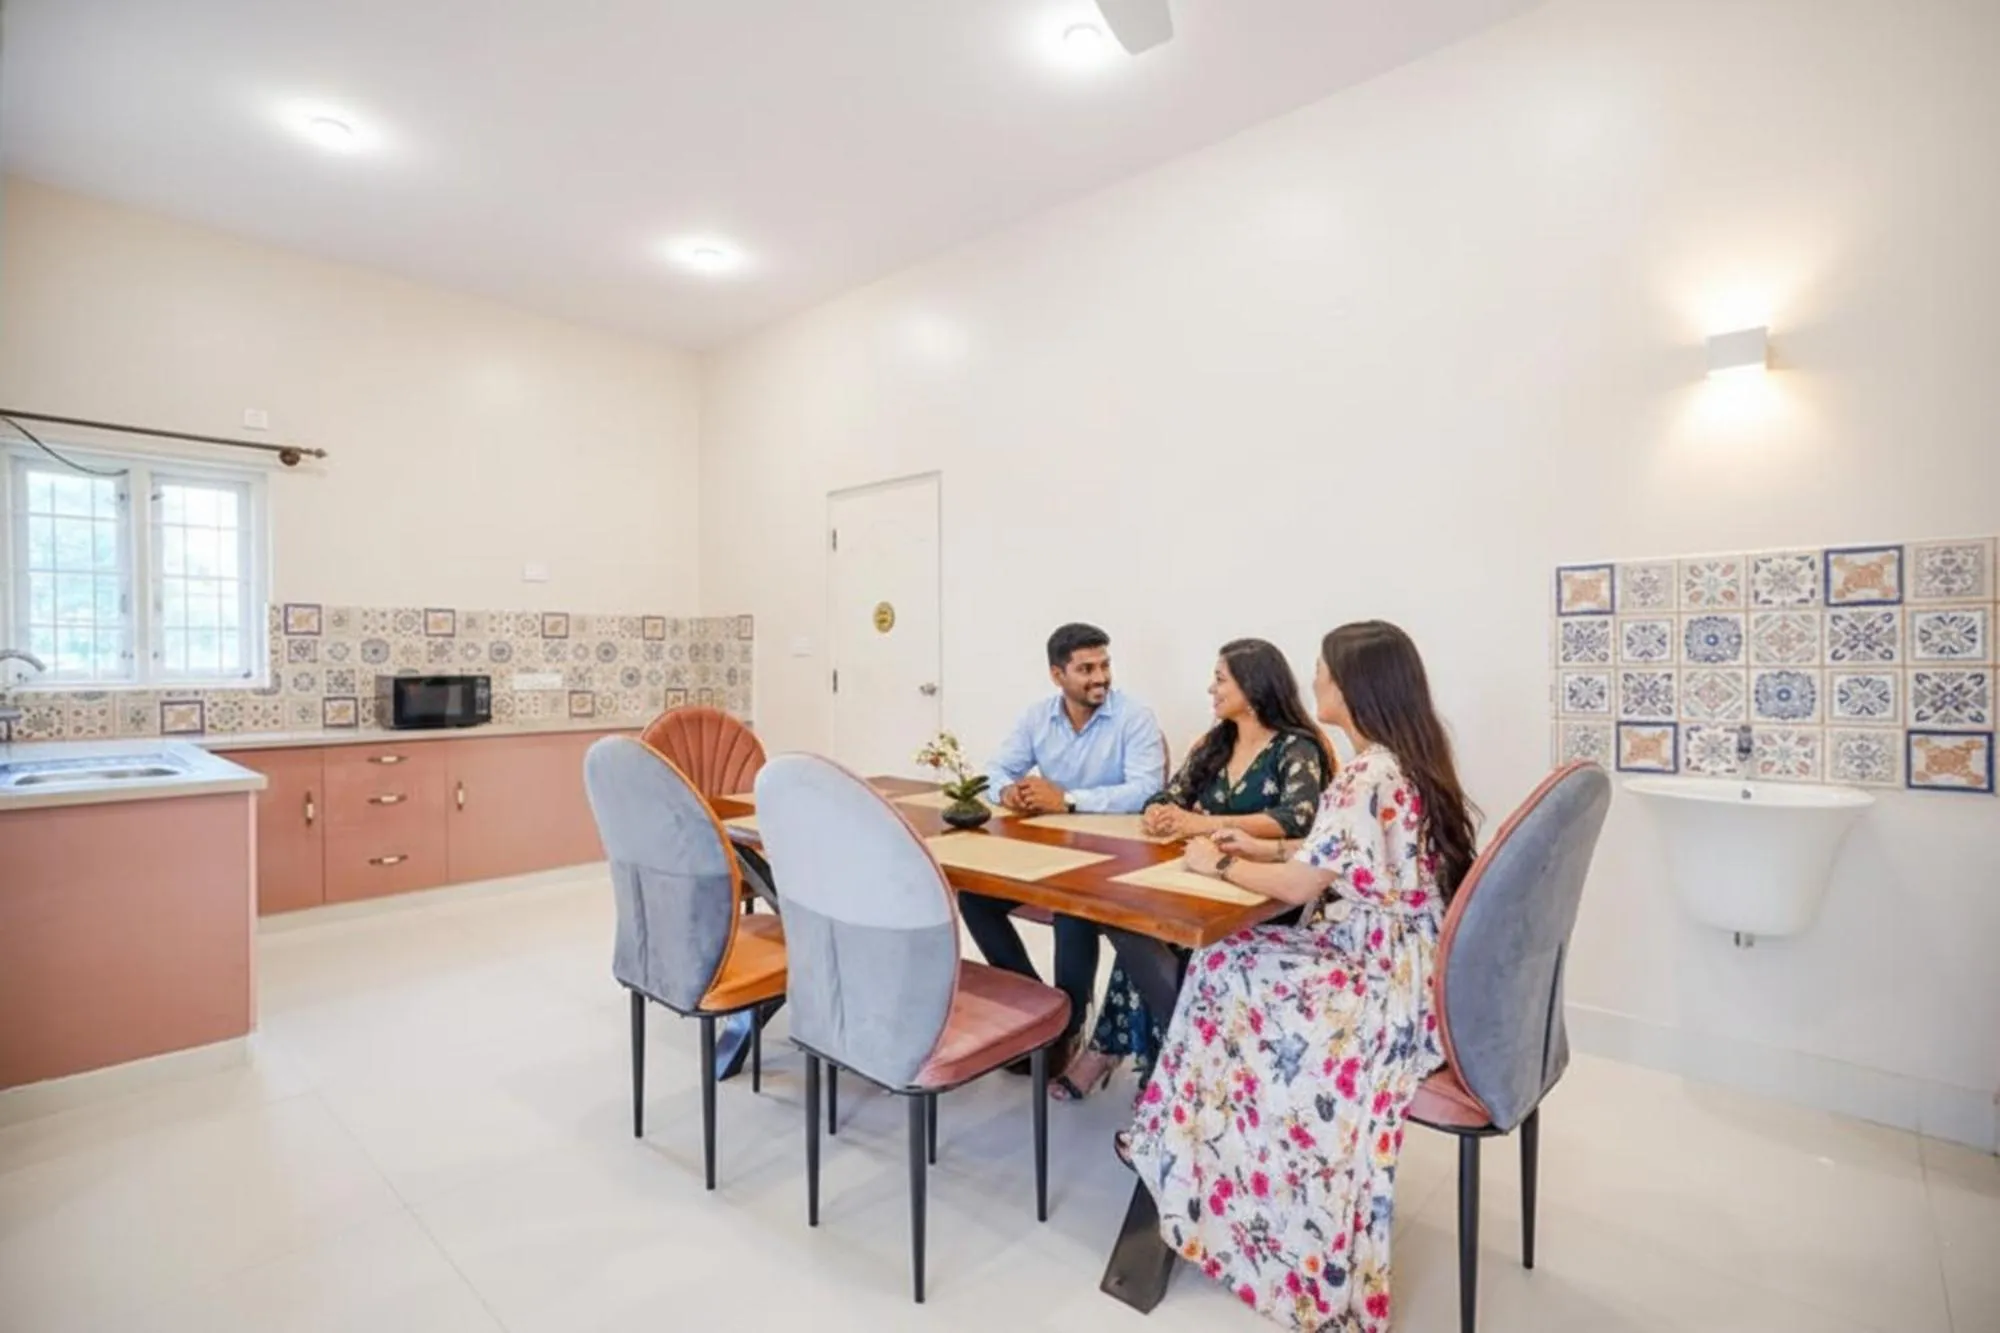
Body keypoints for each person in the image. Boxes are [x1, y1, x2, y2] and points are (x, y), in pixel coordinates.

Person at [1121, 622, 1480, 1333]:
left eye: (1323, 670)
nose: (1315, 679)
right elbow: (1328, 852)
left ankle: (1177, 1143)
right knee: (1227, 961)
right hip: (1408, 965)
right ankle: (1183, 1138)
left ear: (1352, 687)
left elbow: (1294, 887)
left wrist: (1213, 862)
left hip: (1373, 977)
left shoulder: (1362, 772)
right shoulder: (1401, 761)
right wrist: (1257, 840)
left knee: (1223, 961)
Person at [1050, 638, 1333, 1101]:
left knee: (1146, 936)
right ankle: (1146, 1059)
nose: (1211, 689)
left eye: (1221, 679)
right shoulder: (1217, 743)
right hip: (1200, 879)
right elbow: (1169, 794)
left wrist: (1202, 823)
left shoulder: (1296, 749)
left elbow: (1296, 818)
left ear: (1254, 685)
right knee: (1138, 924)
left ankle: (1132, 1057)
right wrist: (1160, 812)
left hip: (1261, 896)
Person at [960, 623, 1166, 1059]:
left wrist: (1067, 800)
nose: (1101, 677)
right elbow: (995, 770)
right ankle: (1037, 1010)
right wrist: (1008, 792)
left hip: (1115, 861)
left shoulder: (1134, 717)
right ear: (1058, 676)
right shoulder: (1038, 717)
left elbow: (1148, 789)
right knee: (974, 899)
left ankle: (1067, 1029)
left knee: (1072, 908)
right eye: (1086, 668)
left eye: (1105, 665)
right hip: (1050, 852)